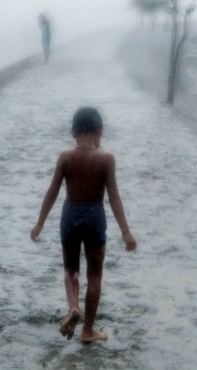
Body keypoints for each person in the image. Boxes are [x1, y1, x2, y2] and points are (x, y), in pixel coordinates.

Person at [31, 107, 137, 343]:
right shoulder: (107, 160)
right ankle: (88, 330)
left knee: (71, 270)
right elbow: (114, 197)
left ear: (72, 132)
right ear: (99, 131)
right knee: (95, 275)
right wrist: (126, 231)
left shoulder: (65, 158)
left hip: (70, 216)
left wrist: (39, 223)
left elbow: (51, 193)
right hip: (94, 217)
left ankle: (72, 308)